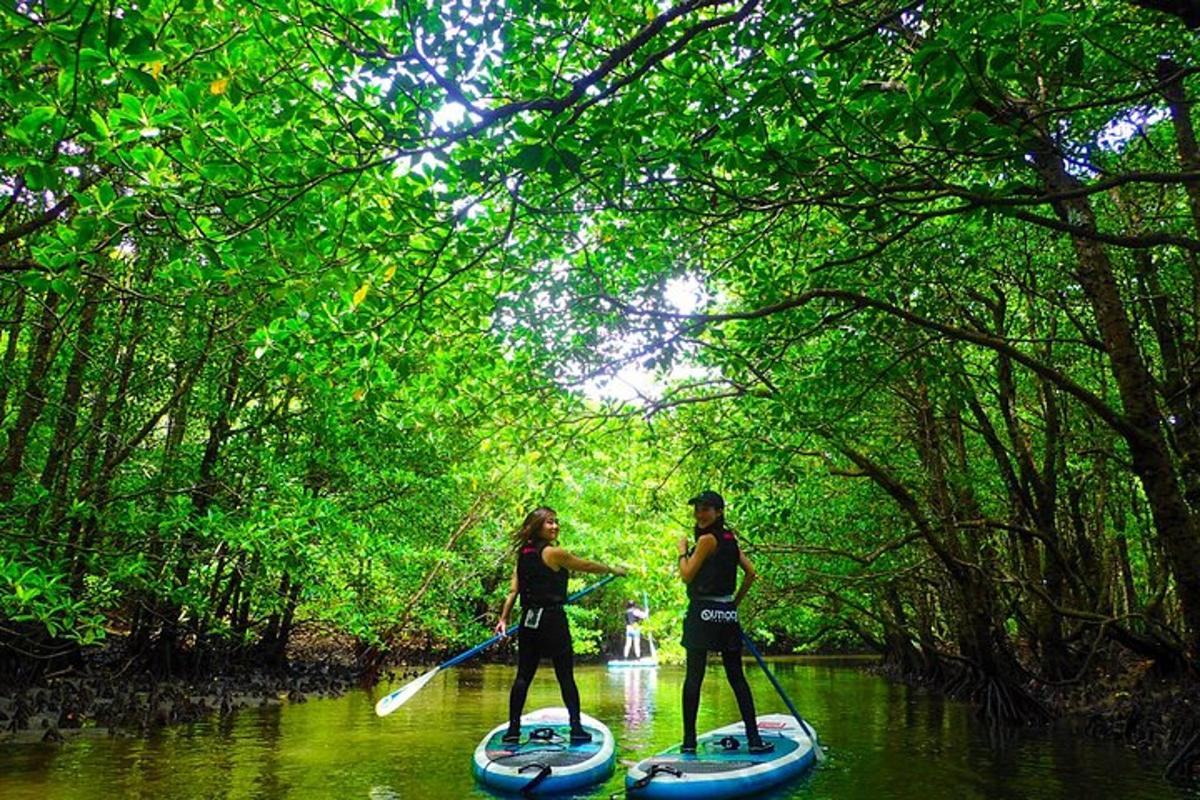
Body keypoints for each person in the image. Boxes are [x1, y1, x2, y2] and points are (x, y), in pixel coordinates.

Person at [495, 506, 626, 745]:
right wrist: (612, 569)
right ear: (537, 527)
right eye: (549, 523)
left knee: (523, 675)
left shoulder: (523, 554)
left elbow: (514, 590)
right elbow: (585, 565)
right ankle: (576, 729)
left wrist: (503, 618)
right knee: (565, 676)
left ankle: (513, 731)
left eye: (556, 522)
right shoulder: (553, 553)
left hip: (528, 620)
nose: (555, 526)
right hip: (552, 620)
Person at [676, 490, 774, 754]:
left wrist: (682, 551)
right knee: (736, 677)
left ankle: (688, 742)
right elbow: (751, 573)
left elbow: (686, 575)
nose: (699, 513)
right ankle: (754, 740)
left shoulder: (707, 540)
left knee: (694, 677)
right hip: (726, 613)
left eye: (706, 509)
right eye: (697, 508)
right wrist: (733, 604)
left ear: (718, 512)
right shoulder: (731, 539)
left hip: (702, 612)